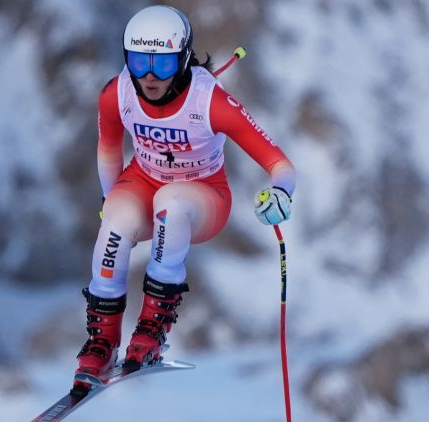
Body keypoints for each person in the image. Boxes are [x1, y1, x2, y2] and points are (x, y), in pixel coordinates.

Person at [72, 5, 296, 395]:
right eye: (139, 62)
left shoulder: (209, 102)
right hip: (142, 181)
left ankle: (151, 330)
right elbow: (108, 148)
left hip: (203, 195)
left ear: (185, 58)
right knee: (116, 221)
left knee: (172, 203)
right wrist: (111, 201)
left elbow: (280, 163)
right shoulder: (117, 92)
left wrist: (280, 193)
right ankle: (102, 342)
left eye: (163, 64)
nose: (149, 76)